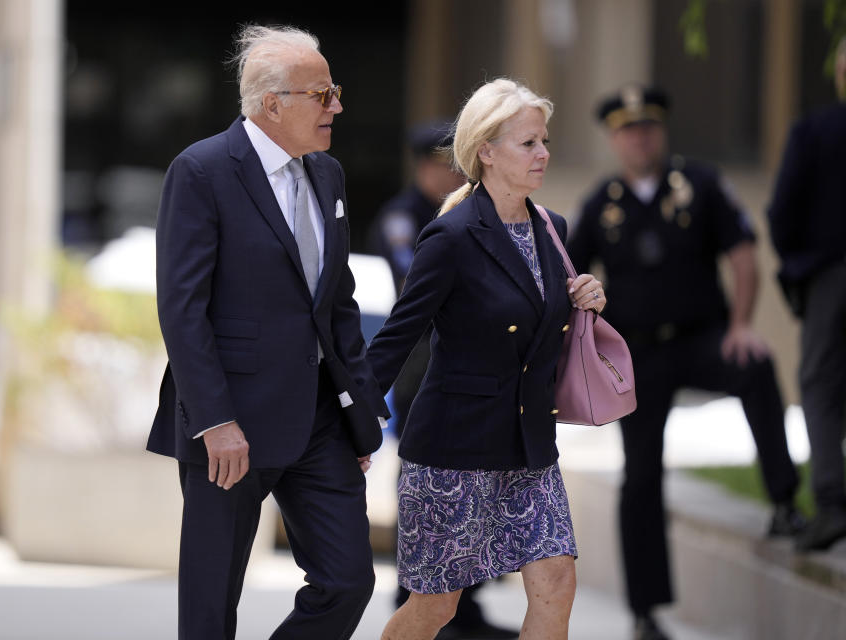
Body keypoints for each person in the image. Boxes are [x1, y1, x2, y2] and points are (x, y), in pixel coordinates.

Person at [146, 25, 389, 640]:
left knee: (348, 582)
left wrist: (358, 412)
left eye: (335, 91)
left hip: (320, 425)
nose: (337, 105)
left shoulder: (326, 175)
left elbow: (338, 303)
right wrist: (214, 421)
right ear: (272, 102)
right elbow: (182, 308)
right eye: (323, 93)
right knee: (211, 604)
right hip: (232, 426)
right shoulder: (201, 170)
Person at [368, 78, 607, 640]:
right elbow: (397, 337)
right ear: (486, 152)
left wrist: (584, 299)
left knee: (556, 583)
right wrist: (351, 425)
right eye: (528, 143)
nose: (543, 153)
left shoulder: (554, 230)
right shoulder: (449, 236)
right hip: (454, 450)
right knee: (436, 608)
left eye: (544, 141)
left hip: (530, 449)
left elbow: (540, 329)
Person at [567, 85, 804, 640]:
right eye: (628, 129)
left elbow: (744, 256)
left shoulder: (700, 184)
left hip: (704, 339)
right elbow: (569, 276)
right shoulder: (602, 200)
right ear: (614, 138)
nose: (639, 137)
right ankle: (646, 612)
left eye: (648, 126)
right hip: (640, 355)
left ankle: (785, 500)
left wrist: (742, 325)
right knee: (640, 473)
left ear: (662, 131)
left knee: (757, 368)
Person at [370, 123, 517, 640]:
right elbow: (419, 283)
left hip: (474, 367)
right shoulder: (403, 217)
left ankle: (465, 605)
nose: (451, 175)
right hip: (422, 367)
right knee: (425, 488)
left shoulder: (478, 212)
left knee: (478, 490)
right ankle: (413, 598)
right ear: (420, 166)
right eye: (441, 165)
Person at [768, 37, 846, 553]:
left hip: (831, 278)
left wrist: (798, 268)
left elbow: (782, 212)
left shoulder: (817, 130)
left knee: (819, 385)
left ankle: (833, 502)